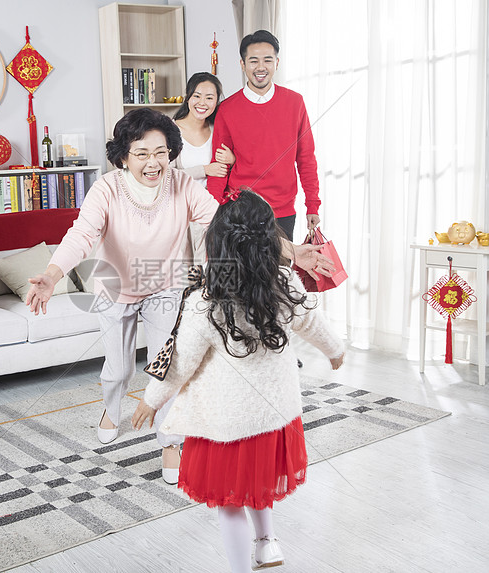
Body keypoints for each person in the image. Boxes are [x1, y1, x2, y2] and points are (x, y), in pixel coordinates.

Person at [132, 189, 345, 572]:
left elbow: (179, 363)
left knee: (230, 503)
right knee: (260, 485)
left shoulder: (208, 300)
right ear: (270, 240)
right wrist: (335, 351)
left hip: (226, 425)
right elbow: (313, 322)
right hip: (274, 417)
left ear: (217, 244)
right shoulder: (285, 284)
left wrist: (152, 399)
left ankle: (239, 568)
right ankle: (267, 544)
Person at [25, 108, 219, 484]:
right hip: (116, 288)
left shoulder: (182, 184)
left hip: (166, 286)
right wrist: (52, 274)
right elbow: (82, 235)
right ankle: (111, 409)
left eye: (161, 152)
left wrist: (281, 249)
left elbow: (220, 221)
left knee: (169, 368)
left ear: (172, 152)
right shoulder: (107, 188)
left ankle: (170, 442)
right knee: (119, 368)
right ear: (124, 156)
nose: (153, 162)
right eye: (142, 153)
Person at [206, 30, 321, 241]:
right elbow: (219, 166)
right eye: (253, 61)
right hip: (239, 210)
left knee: (282, 273)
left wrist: (312, 204)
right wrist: (213, 212)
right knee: (240, 274)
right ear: (242, 64)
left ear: (277, 63)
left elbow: (306, 158)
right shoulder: (228, 109)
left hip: (282, 212)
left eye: (267, 60)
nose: (261, 67)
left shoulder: (295, 103)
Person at [171, 72, 235, 262]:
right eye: (197, 96)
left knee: (213, 268)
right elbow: (164, 176)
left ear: (216, 102)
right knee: (185, 271)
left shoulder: (218, 129)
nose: (202, 103)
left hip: (213, 211)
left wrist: (232, 160)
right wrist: (205, 170)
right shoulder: (170, 130)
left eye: (209, 97)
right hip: (181, 211)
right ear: (188, 97)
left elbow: (233, 171)